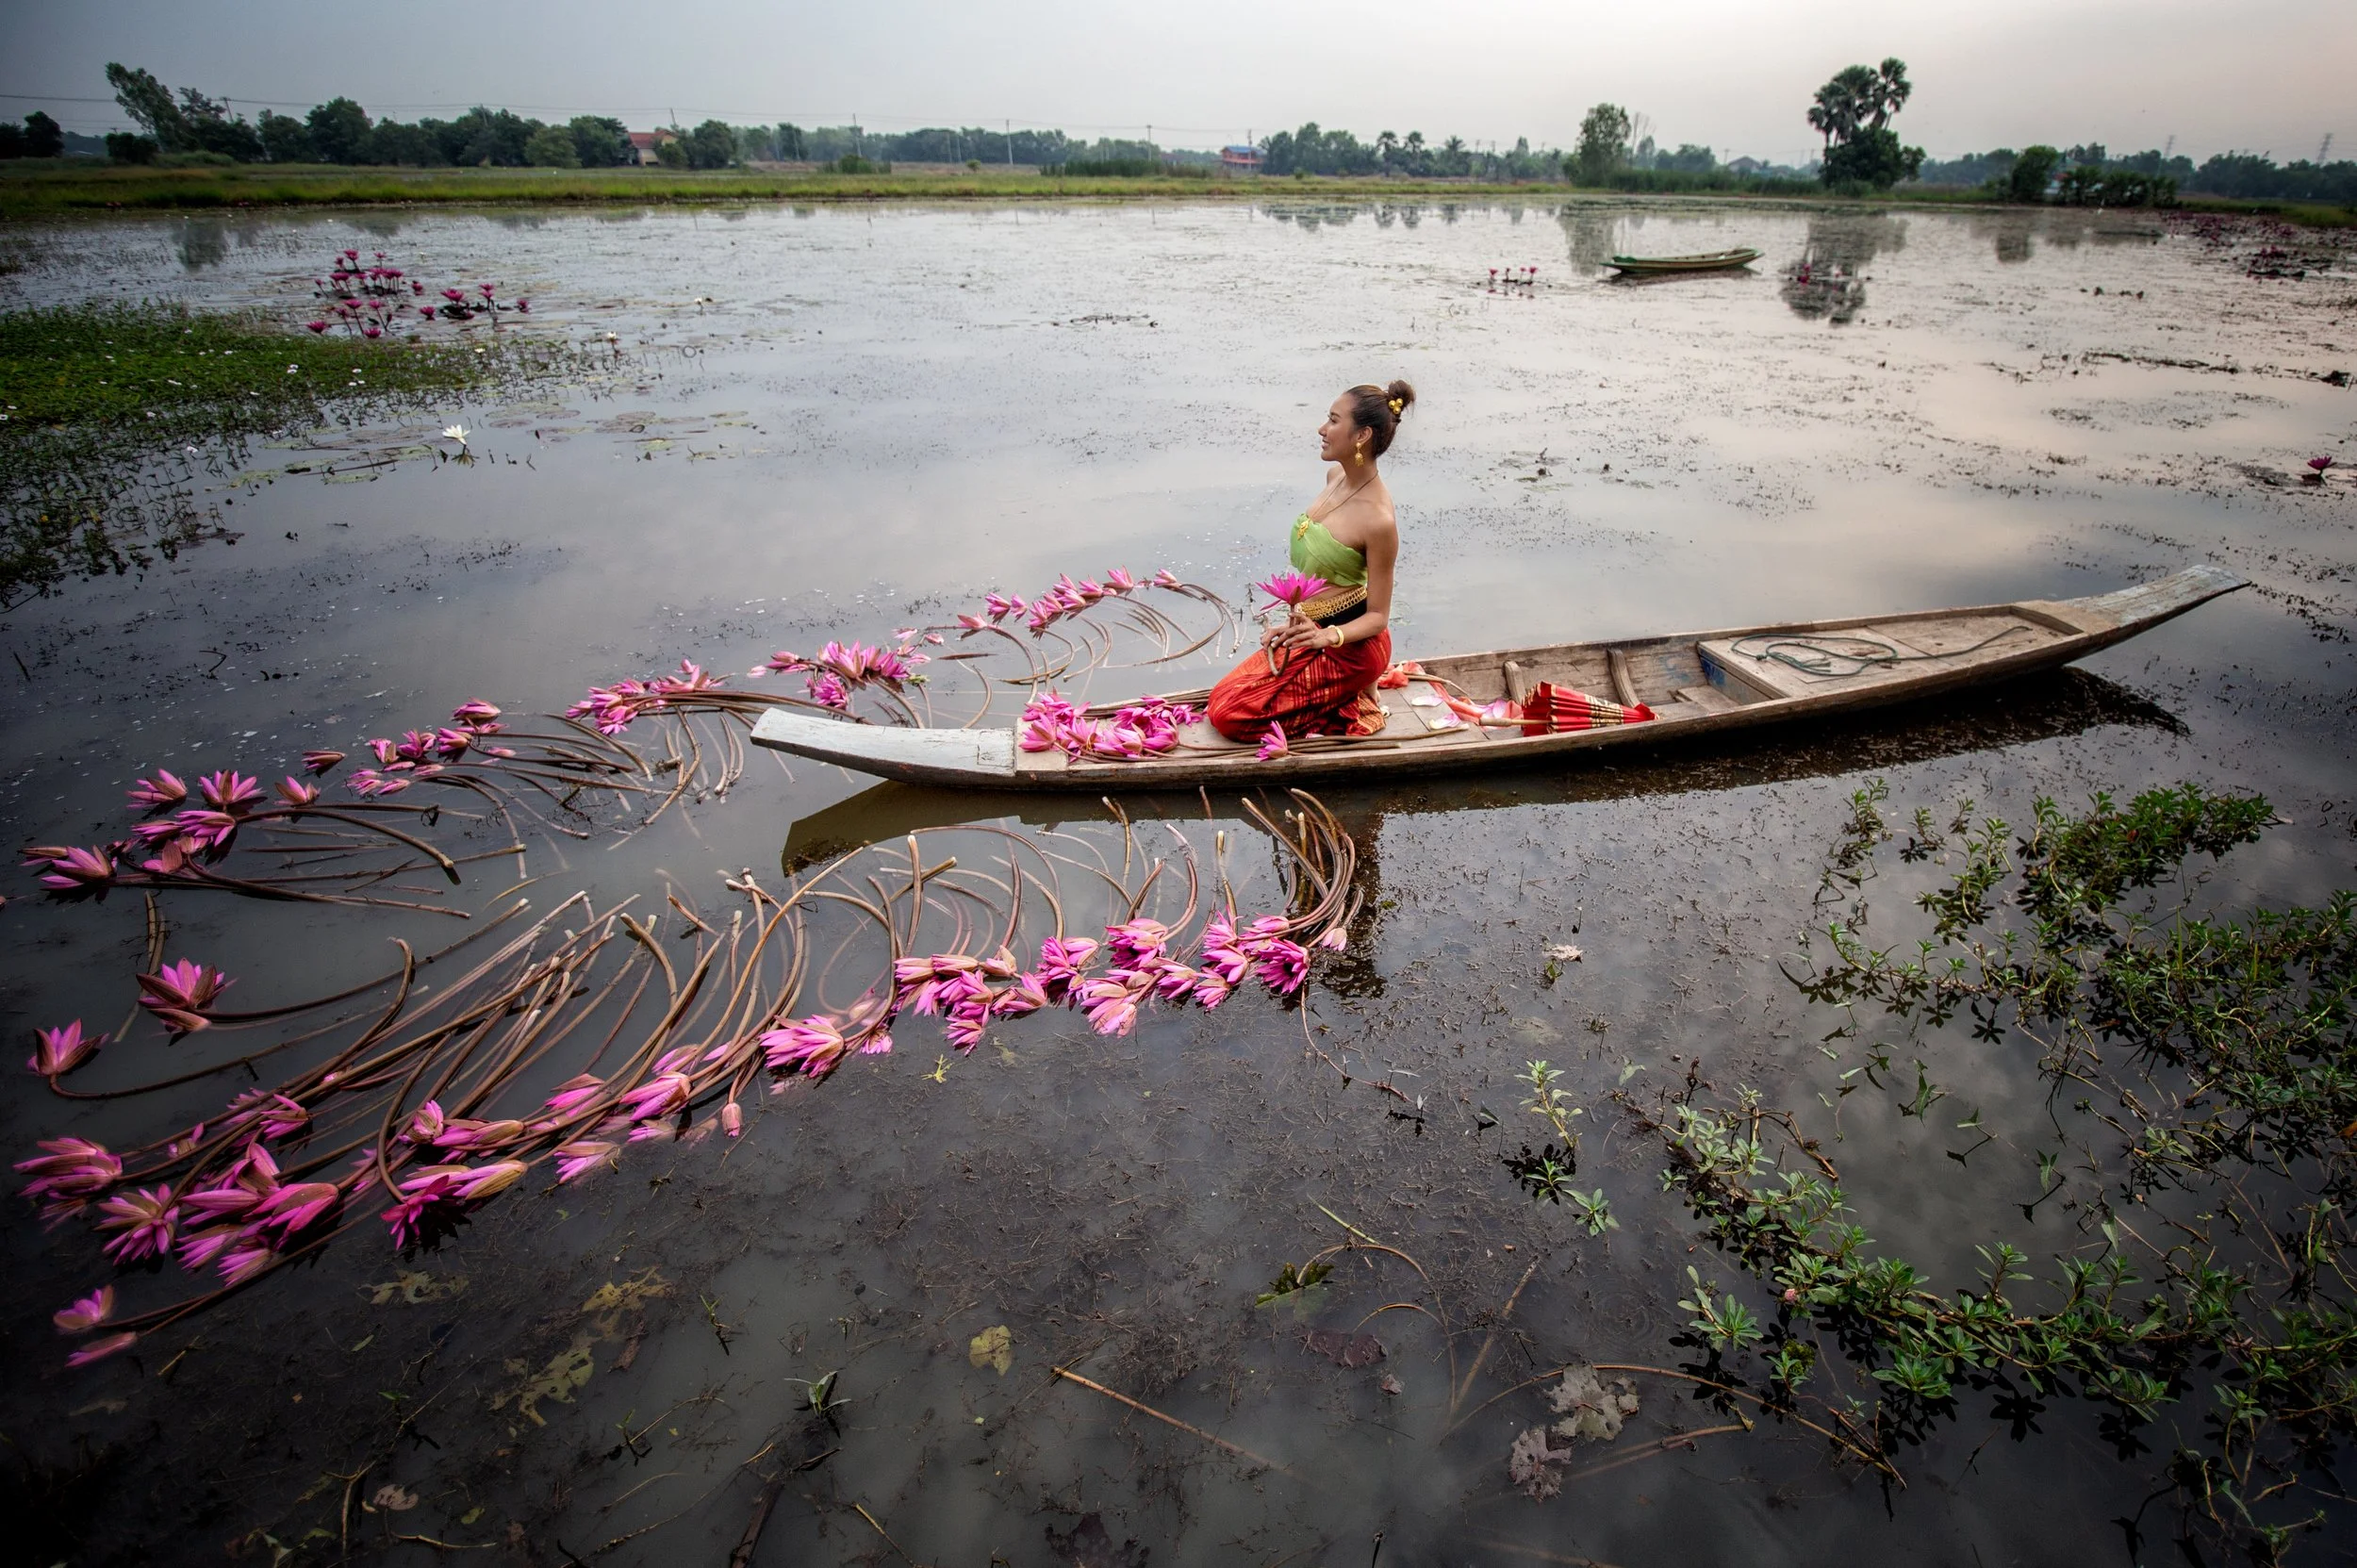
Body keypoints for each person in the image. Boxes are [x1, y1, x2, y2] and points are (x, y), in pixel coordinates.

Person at [1206, 381, 1412, 743]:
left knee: (1231, 718)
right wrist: (1296, 625)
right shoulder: (1335, 477)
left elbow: (1379, 616)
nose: (1322, 429)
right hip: (1312, 629)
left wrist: (1325, 638)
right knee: (1220, 699)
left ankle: (1355, 694)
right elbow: (1321, 580)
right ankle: (1351, 693)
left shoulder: (1379, 521)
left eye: (1333, 420)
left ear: (1362, 435)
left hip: (1352, 649)